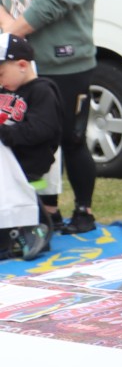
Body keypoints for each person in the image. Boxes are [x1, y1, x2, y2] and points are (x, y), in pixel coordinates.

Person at [1, 0, 100, 234]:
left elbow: (46, 7)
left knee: (70, 139)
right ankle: (44, 213)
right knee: (28, 139)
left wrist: (10, 34)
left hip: (64, 66)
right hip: (19, 70)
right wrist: (10, 33)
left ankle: (83, 212)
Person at [0, 34, 58, 259]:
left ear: (22, 65)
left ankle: (26, 227)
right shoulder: (6, 90)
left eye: (2, 73)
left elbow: (41, 130)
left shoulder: (42, 91)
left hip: (30, 158)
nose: (0, 80)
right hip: (9, 153)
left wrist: (4, 134)